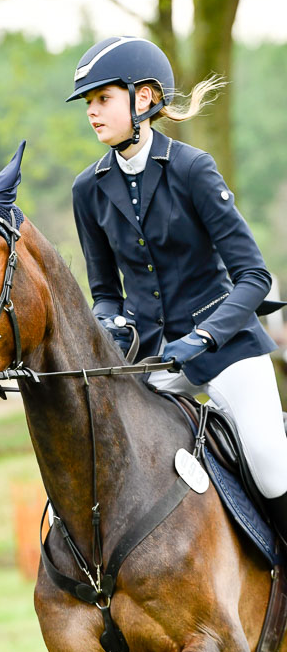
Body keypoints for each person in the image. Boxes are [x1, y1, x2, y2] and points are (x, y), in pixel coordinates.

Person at [68, 36, 287, 545]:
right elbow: (103, 290)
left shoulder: (193, 168)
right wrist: (110, 321)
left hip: (228, 350)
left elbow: (253, 277)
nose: (93, 113)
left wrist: (205, 338)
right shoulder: (88, 189)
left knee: (273, 468)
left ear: (142, 99)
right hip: (155, 363)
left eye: (103, 99)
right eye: (89, 103)